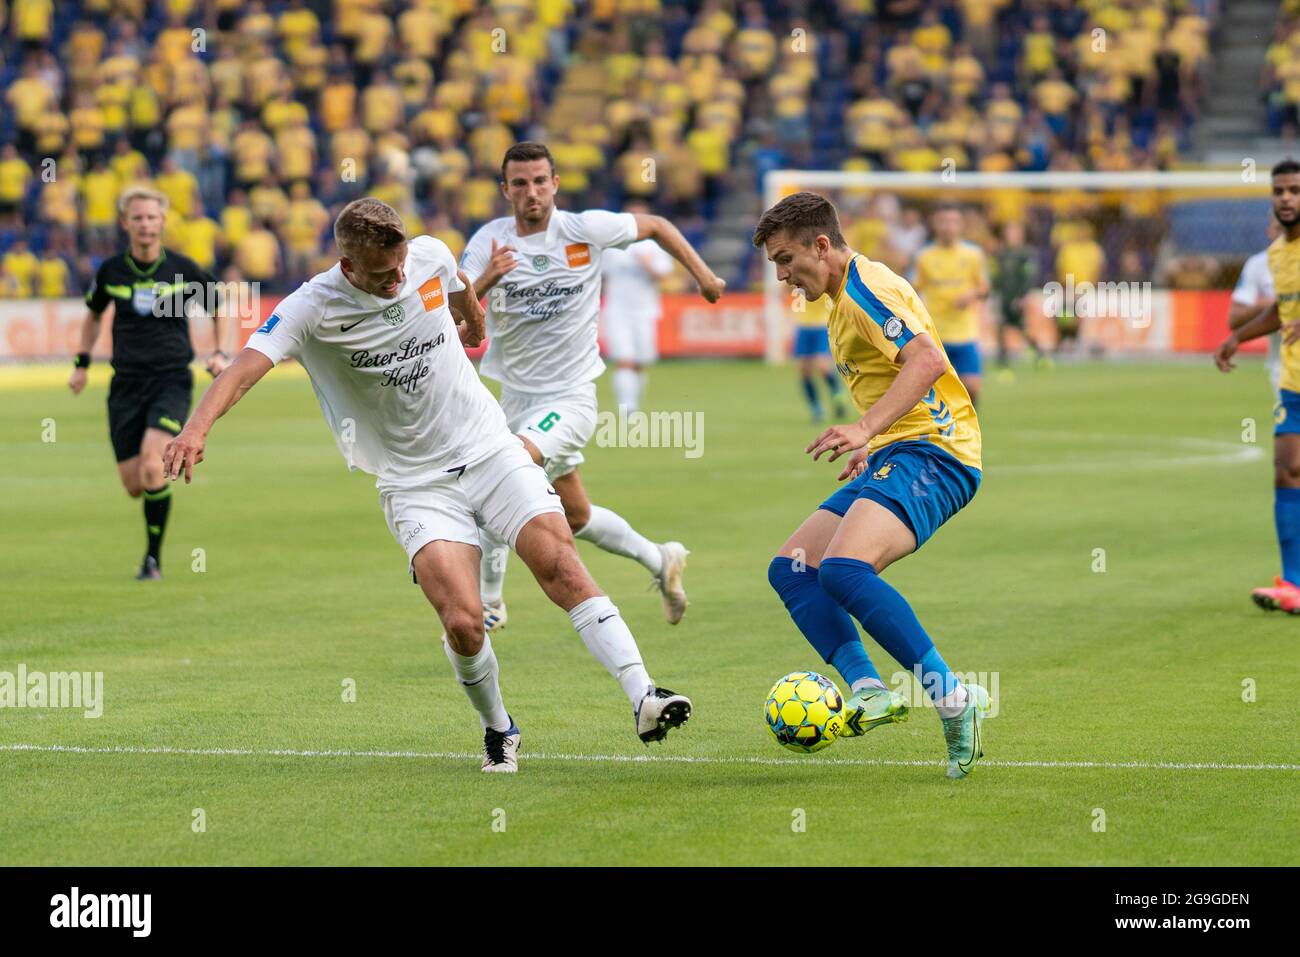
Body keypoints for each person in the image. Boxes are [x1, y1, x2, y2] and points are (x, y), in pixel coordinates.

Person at [161, 198, 692, 772]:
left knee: (559, 560)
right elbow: (243, 369)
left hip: (489, 449)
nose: (396, 279)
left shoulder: (427, 255)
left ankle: (644, 694)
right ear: (348, 264)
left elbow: (461, 286)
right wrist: (196, 428)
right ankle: (499, 728)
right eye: (381, 273)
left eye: (399, 266)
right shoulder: (311, 306)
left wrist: (474, 318)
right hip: (414, 482)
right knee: (463, 623)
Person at [754, 191, 989, 779]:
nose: (782, 275)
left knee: (843, 569)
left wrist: (864, 428)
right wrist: (873, 445)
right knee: (794, 568)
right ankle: (869, 689)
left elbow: (928, 360)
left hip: (937, 450)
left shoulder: (865, 288)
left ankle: (952, 698)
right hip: (898, 451)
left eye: (786, 259)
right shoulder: (839, 298)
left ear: (823, 245)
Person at [461, 142, 726, 632]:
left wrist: (704, 277)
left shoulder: (585, 230)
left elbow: (659, 227)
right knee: (576, 515)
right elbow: (459, 311)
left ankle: (489, 602)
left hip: (571, 397)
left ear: (556, 184)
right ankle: (660, 558)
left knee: (501, 470)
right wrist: (487, 279)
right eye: (520, 183)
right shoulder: (490, 243)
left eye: (540, 181)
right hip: (514, 398)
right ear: (505, 191)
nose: (531, 192)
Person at [68, 186, 229, 580]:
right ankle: (151, 543)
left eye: (152, 217)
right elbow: (92, 316)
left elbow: (220, 305)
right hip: (125, 385)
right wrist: (82, 362)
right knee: (134, 484)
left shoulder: (183, 269)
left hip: (170, 380)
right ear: (125, 223)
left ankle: (152, 560)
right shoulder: (110, 271)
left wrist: (220, 352)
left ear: (163, 222)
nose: (145, 224)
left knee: (153, 469)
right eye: (137, 217)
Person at [1214, 159, 1300, 614]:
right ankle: (1293, 583)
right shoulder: (1276, 257)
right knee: (1286, 469)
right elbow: (1282, 312)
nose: (1286, 198)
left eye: (1294, 190)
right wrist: (1237, 337)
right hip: (1292, 382)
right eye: (1279, 191)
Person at [599, 199, 675, 413]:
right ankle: (626, 408)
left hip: (645, 310)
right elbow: (599, 276)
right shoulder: (612, 246)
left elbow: (664, 274)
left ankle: (634, 404)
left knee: (641, 361)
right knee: (624, 358)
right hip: (617, 310)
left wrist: (647, 264)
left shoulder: (654, 245)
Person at [910, 204, 989, 406]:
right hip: (935, 334)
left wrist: (971, 294)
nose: (948, 226)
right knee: (936, 392)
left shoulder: (973, 255)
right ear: (935, 224)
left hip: (965, 332)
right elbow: (910, 290)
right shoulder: (924, 257)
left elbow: (984, 287)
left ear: (961, 225)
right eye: (943, 221)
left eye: (953, 221)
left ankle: (969, 425)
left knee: (972, 386)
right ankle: (946, 431)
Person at [1228, 219, 1283, 392]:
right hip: (1283, 366)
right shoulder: (1259, 264)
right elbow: (1234, 319)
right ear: (1270, 231)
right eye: (1279, 229)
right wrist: (1268, 304)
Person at [991, 221, 1048, 368]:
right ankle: (1004, 362)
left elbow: (1029, 277)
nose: (1011, 235)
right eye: (1009, 232)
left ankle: (1039, 354)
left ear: (1021, 234)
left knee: (1020, 328)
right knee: (1002, 328)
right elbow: (998, 276)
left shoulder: (1026, 254)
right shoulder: (1002, 254)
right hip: (1004, 296)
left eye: (1014, 232)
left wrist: (1023, 296)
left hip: (1017, 297)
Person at [791, 293, 848, 422]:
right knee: (804, 371)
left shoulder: (817, 278)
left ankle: (837, 393)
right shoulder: (794, 280)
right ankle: (816, 407)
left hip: (821, 326)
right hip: (802, 327)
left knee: (822, 366)